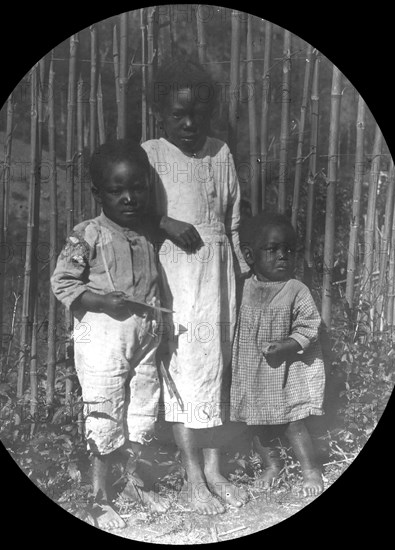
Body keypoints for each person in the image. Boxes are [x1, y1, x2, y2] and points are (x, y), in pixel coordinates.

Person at [141, 57, 249, 515]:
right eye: (177, 115)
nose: (188, 124)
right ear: (160, 115)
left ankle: (214, 468)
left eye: (197, 115)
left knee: (217, 368)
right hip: (177, 277)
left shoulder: (220, 153)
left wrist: (241, 274)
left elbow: (234, 219)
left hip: (220, 275)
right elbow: (133, 210)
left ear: (209, 113)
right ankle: (191, 478)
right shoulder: (151, 153)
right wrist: (164, 221)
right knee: (185, 371)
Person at [51, 139, 168, 530]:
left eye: (137, 187)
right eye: (117, 191)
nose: (129, 198)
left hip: (144, 338)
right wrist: (101, 302)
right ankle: (99, 499)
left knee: (142, 410)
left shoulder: (148, 231)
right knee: (104, 412)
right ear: (98, 193)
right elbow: (63, 282)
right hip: (102, 339)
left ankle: (134, 482)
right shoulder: (88, 234)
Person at [230, 212, 325, 497]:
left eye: (288, 250)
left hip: (286, 370)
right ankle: (273, 464)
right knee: (255, 424)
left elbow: (310, 326)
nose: (283, 256)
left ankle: (310, 470)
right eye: (272, 250)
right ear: (249, 255)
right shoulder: (242, 287)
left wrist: (286, 345)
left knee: (293, 423)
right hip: (251, 373)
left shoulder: (295, 289)